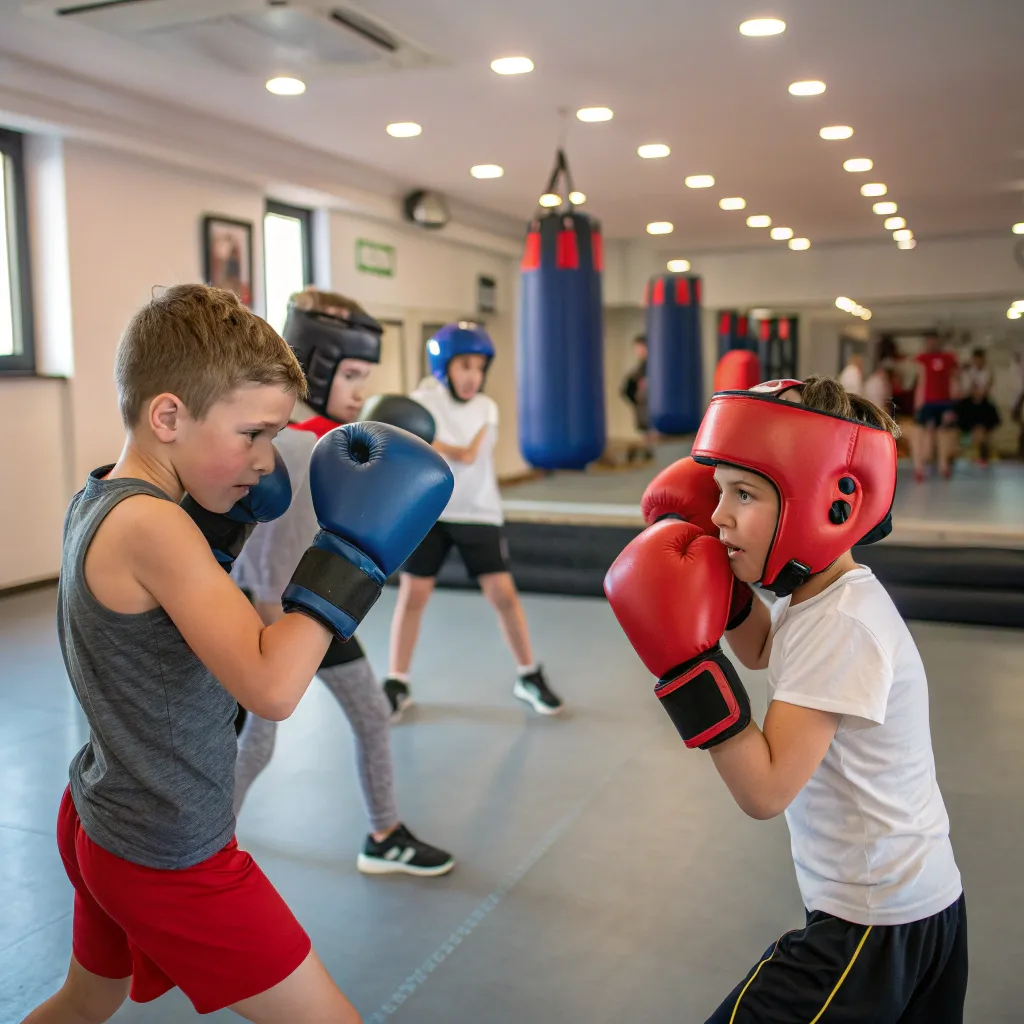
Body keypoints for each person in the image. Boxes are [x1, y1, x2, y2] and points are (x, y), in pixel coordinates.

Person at [25, 284, 452, 1023]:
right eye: (253, 433)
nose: (266, 459)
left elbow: (177, 625)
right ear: (169, 416)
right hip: (169, 853)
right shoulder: (155, 530)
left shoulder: (102, 498)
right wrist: (352, 551)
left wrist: (225, 530)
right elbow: (272, 686)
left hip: (101, 812)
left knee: (84, 1002)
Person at [606, 376, 966, 1023]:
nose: (718, 515)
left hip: (869, 925)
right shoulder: (820, 597)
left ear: (832, 501)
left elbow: (765, 790)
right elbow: (765, 651)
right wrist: (729, 595)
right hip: (911, 907)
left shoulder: (842, 625)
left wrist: (686, 667)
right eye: (719, 492)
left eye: (743, 494)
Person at [231, 287, 454, 877]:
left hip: (315, 605)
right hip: (280, 613)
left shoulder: (332, 441)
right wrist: (272, 631)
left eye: (367, 375)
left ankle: (384, 833)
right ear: (317, 363)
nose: (362, 390)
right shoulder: (295, 445)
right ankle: (199, 852)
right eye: (352, 373)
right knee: (256, 737)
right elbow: (266, 554)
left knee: (363, 716)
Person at [381, 322, 564, 719]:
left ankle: (528, 673)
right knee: (414, 597)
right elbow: (410, 440)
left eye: (479, 368)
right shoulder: (421, 401)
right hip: (429, 511)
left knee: (503, 595)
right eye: (464, 366)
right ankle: (397, 680)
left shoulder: (486, 407)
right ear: (443, 368)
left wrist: (433, 439)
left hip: (479, 512)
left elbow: (465, 454)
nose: (473, 377)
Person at [912, 333, 960, 481]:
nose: (931, 344)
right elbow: (921, 380)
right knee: (925, 433)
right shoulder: (924, 359)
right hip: (928, 402)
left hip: (944, 402)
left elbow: (954, 379)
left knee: (943, 433)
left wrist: (954, 402)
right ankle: (920, 468)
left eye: (934, 341)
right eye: (929, 341)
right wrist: (918, 403)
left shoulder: (948, 358)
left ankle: (943, 466)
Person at [957, 347, 1001, 465]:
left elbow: (986, 388)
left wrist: (980, 393)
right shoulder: (968, 371)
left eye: (981, 359)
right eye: (976, 360)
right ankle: (968, 449)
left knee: (984, 430)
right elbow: (968, 389)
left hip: (982, 403)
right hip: (969, 403)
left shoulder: (988, 372)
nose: (979, 362)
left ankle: (983, 453)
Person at [621, 333, 655, 460]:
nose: (638, 351)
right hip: (643, 408)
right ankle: (646, 452)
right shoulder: (638, 370)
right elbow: (626, 390)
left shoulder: (655, 367)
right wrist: (636, 400)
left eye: (641, 347)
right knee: (647, 433)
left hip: (652, 409)